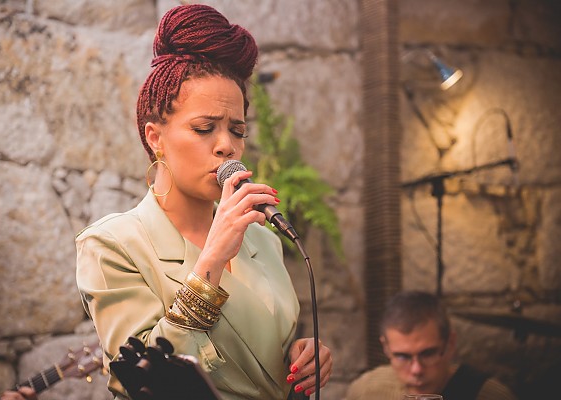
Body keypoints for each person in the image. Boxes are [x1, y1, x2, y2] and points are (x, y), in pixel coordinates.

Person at [75, 4, 332, 400]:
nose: (226, 145)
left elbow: (258, 364)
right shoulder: (112, 245)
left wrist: (300, 358)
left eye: (237, 131)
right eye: (204, 128)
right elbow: (141, 381)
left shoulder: (263, 239)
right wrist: (211, 259)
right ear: (155, 138)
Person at [346, 290, 517, 400]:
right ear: (386, 347)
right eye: (402, 356)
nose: (416, 370)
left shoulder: (490, 395)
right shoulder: (366, 391)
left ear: (450, 343)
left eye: (427, 353)